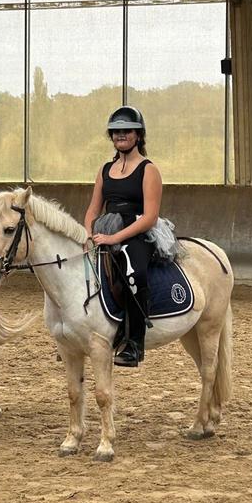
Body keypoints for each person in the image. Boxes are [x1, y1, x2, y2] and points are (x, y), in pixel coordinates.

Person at [84, 106, 162, 368]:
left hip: (137, 231)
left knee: (134, 273)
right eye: (116, 131)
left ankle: (134, 343)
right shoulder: (105, 169)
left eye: (127, 131)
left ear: (138, 135)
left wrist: (115, 238)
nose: (121, 135)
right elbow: (94, 209)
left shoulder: (148, 169)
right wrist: (88, 234)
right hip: (105, 229)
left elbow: (150, 216)